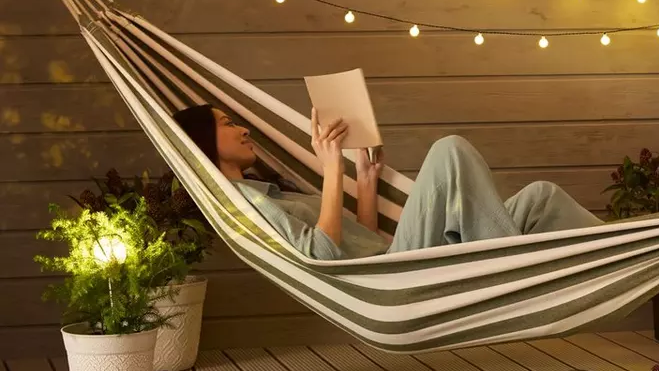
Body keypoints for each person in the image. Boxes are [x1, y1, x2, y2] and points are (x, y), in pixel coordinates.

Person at [172, 104, 603, 261]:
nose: (244, 129)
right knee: (449, 150)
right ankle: (507, 267)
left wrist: (364, 178)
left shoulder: (272, 193)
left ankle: (629, 246)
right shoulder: (245, 203)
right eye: (228, 124)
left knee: (540, 198)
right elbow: (321, 254)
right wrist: (331, 168)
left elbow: (365, 240)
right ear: (204, 142)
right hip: (392, 279)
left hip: (388, 259)